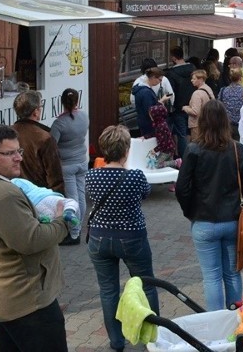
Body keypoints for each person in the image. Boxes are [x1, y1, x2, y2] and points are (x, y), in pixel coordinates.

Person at [0, 124, 70, 351]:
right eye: (9, 153)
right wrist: (62, 221)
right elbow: (31, 240)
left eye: (18, 151)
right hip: (28, 305)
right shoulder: (2, 195)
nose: (19, 158)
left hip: (1, 300)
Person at [86, 125, 159, 352]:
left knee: (108, 290)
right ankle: (153, 337)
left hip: (99, 239)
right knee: (146, 284)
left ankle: (117, 342)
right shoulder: (135, 176)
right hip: (132, 237)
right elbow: (146, 193)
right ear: (126, 149)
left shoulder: (92, 176)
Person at [175, 100, 243, 311]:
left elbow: (182, 188)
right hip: (233, 220)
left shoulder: (193, 149)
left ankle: (216, 323)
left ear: (202, 122)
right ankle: (237, 318)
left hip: (203, 220)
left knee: (211, 276)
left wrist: (190, 211)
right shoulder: (238, 149)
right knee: (232, 273)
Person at [49, 88, 89, 245]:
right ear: (77, 101)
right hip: (82, 161)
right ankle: (77, 228)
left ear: (62, 102)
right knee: (80, 196)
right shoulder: (84, 117)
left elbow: (52, 145)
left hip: (67, 165)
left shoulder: (59, 123)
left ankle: (74, 233)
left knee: (72, 199)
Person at [12, 90, 65, 194]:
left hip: (14, 193)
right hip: (39, 196)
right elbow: (55, 177)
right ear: (35, 112)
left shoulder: (7, 133)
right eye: (41, 106)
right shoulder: (44, 138)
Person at [11, 177, 82, 240]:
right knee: (70, 202)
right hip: (47, 197)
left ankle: (45, 220)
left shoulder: (11, 185)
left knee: (52, 218)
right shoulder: (18, 180)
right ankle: (69, 211)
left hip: (34, 204)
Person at [166, 46, 196, 158]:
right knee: (191, 133)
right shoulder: (193, 68)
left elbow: (170, 92)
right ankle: (192, 156)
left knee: (181, 134)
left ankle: (184, 159)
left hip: (179, 108)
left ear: (173, 58)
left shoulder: (171, 74)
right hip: (193, 106)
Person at [132, 67, 170, 138]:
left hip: (143, 122)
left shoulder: (141, 89)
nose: (160, 82)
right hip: (149, 125)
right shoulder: (146, 92)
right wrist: (161, 101)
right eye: (159, 80)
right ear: (153, 77)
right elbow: (151, 111)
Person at [182, 69, 215, 142]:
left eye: (194, 79)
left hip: (197, 125)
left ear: (200, 79)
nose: (191, 80)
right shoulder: (208, 89)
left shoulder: (197, 94)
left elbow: (195, 112)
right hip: (208, 122)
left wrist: (185, 108)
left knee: (198, 145)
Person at [218, 68, 243, 140]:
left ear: (230, 77)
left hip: (226, 124)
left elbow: (219, 105)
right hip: (239, 125)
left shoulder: (223, 90)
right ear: (240, 78)